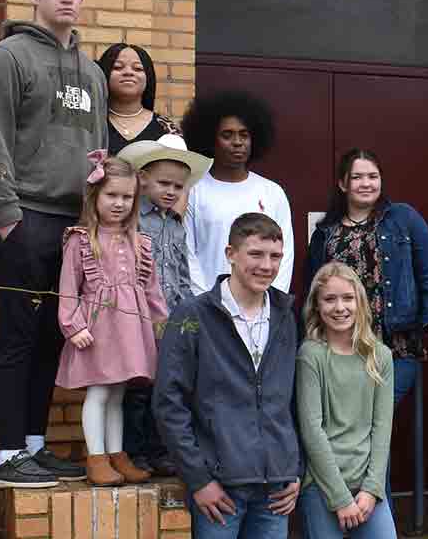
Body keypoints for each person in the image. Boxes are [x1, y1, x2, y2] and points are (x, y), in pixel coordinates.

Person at [0, 0, 107, 488]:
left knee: (54, 335)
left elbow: (96, 152)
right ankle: (7, 457)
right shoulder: (8, 58)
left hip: (71, 224)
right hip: (23, 216)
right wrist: (7, 215)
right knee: (17, 333)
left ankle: (33, 445)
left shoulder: (92, 73)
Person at [305, 148, 428, 502]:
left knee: (374, 428)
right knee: (349, 431)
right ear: (342, 183)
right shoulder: (324, 233)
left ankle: (371, 510)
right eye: (357, 177)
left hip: (395, 347)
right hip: (340, 352)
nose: (365, 183)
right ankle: (341, 506)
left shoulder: (403, 218)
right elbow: (314, 290)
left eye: (372, 176)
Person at [154, 213, 302, 539]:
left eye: (275, 256)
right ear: (230, 254)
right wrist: (199, 479)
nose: (267, 265)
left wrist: (294, 469)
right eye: (255, 254)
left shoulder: (287, 316)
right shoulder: (191, 315)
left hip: (276, 488)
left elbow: (294, 400)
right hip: (219, 489)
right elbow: (169, 402)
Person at [55, 152, 168, 486]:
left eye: (127, 197)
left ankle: (118, 456)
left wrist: (164, 327)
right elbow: (67, 289)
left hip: (130, 330)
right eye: (112, 195)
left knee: (118, 394)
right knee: (100, 393)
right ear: (95, 196)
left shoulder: (140, 242)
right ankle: (96, 458)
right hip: (98, 330)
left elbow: (152, 291)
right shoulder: (81, 240)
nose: (119, 203)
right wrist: (73, 326)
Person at [115, 135, 212, 475]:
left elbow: (182, 270)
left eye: (178, 186)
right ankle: (134, 451)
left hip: (171, 317)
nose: (171, 191)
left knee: (165, 387)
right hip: (139, 318)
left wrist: (188, 312)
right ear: (143, 179)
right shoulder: (131, 220)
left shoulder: (174, 222)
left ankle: (159, 451)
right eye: (164, 183)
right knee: (138, 388)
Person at [297, 262, 396, 539]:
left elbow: (382, 428)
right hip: (323, 484)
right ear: (317, 306)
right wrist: (341, 498)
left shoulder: (380, 356)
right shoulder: (311, 355)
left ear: (360, 302)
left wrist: (372, 489)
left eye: (348, 298)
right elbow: (312, 431)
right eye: (330, 299)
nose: (340, 307)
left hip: (367, 484)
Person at [183, 91, 294, 294]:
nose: (237, 142)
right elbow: (187, 253)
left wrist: (270, 303)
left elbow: (284, 256)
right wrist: (207, 304)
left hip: (261, 309)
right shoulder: (193, 190)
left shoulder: (272, 192)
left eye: (244, 135)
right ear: (211, 139)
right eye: (227, 135)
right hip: (208, 309)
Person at [97, 43, 181, 155]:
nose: (128, 72)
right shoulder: (91, 124)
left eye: (138, 68)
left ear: (148, 78)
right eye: (117, 67)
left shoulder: (166, 128)